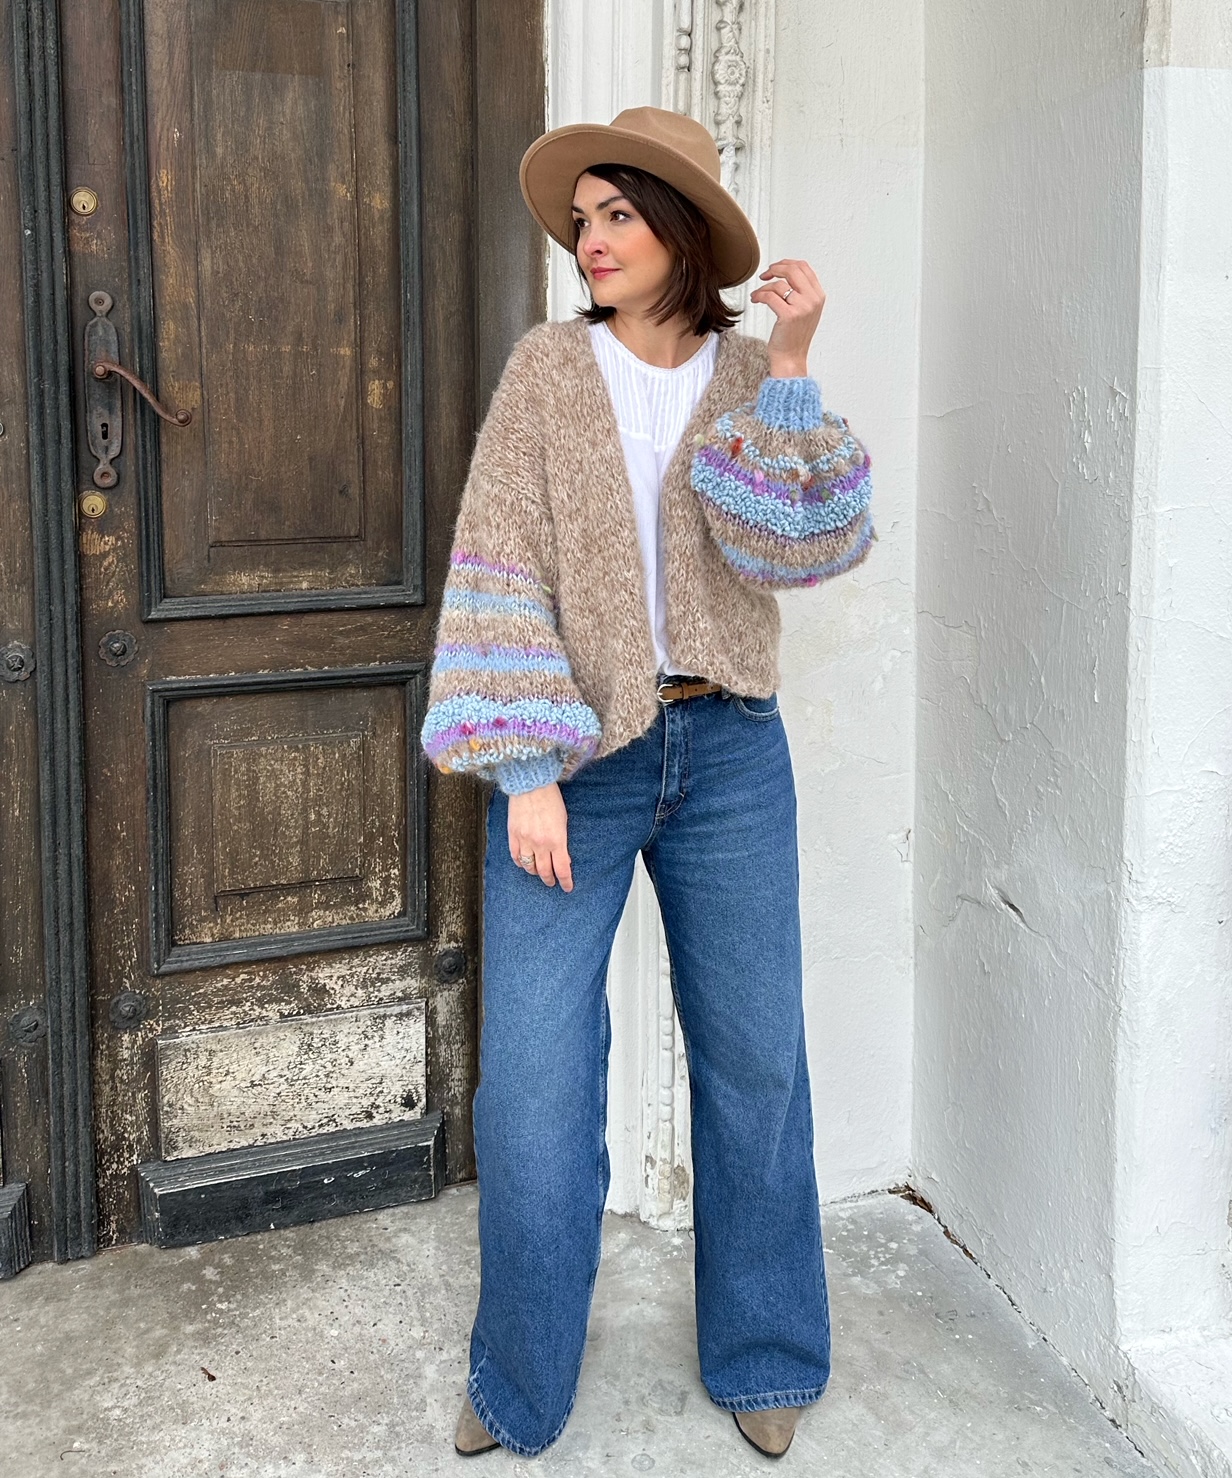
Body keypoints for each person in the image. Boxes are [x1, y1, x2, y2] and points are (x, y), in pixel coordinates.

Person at [419, 105, 874, 1460]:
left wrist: (790, 367)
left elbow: (795, 548)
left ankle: (768, 1347)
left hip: (730, 753)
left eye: (619, 214)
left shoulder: (745, 375)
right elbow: (498, 559)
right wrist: (525, 770)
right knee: (534, 1084)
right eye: (585, 220)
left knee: (755, 1058)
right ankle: (519, 1376)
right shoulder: (548, 371)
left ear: (682, 230)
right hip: (573, 762)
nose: (593, 239)